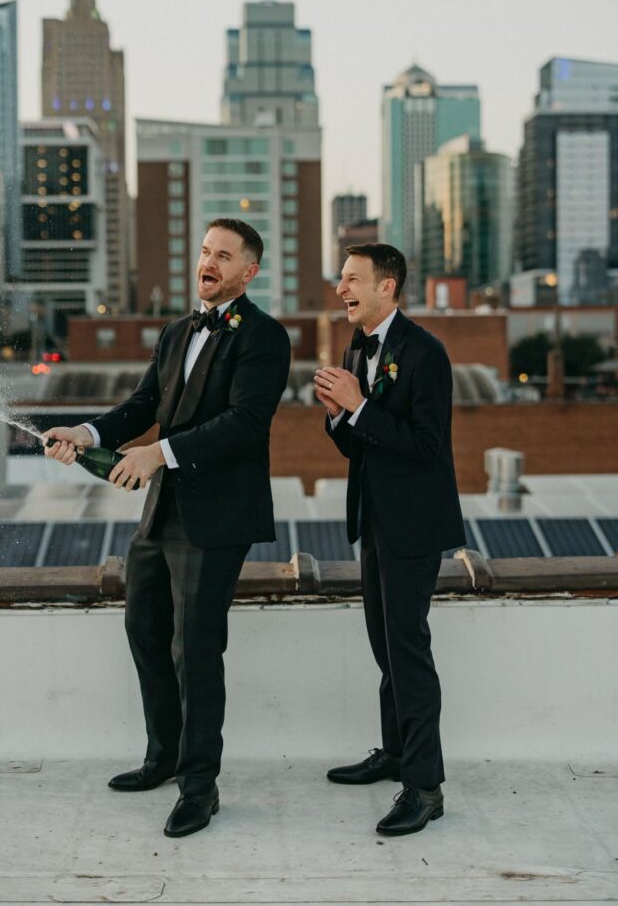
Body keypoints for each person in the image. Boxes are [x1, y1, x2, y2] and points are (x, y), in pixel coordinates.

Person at [44, 218, 291, 838]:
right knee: (144, 627)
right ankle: (164, 757)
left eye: (224, 255)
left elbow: (245, 423)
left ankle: (200, 788)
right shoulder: (177, 330)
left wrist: (159, 454)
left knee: (196, 648)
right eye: (206, 251)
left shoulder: (264, 337)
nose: (209, 262)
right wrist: (88, 433)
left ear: (248, 272)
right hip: (162, 511)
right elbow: (142, 406)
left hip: (217, 517)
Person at [314, 243, 465, 837]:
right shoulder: (357, 347)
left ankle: (425, 787)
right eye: (340, 279)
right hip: (375, 518)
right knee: (383, 643)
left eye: (352, 279)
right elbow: (361, 444)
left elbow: (427, 446)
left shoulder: (426, 353)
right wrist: (337, 415)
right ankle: (395, 751)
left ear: (388, 286)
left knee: (408, 650)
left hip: (415, 525)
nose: (340, 289)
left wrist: (359, 407)